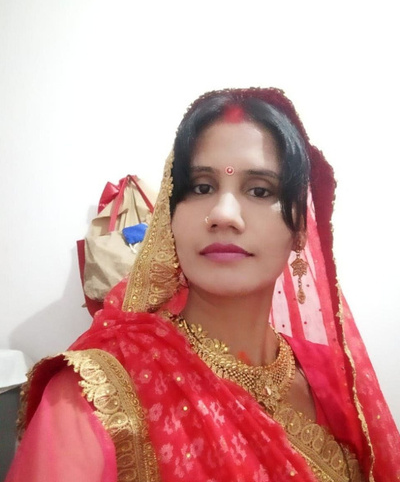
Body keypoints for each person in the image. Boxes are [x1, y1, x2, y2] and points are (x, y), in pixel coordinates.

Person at [6, 88, 400, 481]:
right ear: (170, 219)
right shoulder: (96, 392)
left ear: (299, 229)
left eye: (259, 190)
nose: (223, 214)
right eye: (201, 187)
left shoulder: (335, 381)